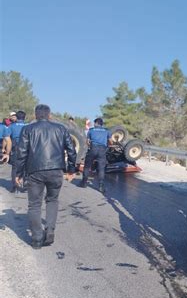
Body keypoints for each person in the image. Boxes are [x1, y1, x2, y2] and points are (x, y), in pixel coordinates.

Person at [16, 104, 77, 249]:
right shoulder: (61, 128)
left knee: (34, 205)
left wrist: (18, 173)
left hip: (35, 171)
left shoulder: (28, 129)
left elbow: (21, 153)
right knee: (52, 200)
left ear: (35, 115)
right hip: (56, 170)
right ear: (49, 115)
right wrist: (71, 170)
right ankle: (49, 230)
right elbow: (72, 150)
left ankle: (37, 239)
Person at [80, 118, 112, 193]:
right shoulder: (107, 131)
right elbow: (111, 141)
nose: (93, 124)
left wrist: (90, 146)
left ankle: (84, 183)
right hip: (102, 150)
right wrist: (107, 146)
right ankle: (101, 186)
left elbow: (87, 142)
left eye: (94, 123)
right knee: (101, 168)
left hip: (93, 149)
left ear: (97, 123)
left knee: (87, 166)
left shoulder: (91, 130)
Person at [8, 111, 28, 193]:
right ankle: (25, 184)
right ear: (24, 117)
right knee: (26, 167)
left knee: (15, 168)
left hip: (16, 148)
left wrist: (7, 151)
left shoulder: (11, 126)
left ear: (16, 117)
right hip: (27, 148)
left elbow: (7, 138)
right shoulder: (28, 126)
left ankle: (14, 186)